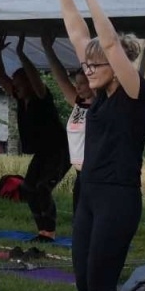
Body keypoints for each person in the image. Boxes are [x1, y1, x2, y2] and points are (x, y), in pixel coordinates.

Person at [52, 0, 145, 291]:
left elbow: (106, 43)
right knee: (82, 281)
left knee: (100, 281)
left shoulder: (134, 94)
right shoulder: (99, 96)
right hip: (89, 192)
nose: (86, 70)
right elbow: (81, 38)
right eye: (86, 65)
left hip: (118, 196)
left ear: (118, 66)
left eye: (95, 65)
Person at [0, 32, 68, 241]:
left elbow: (34, 78)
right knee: (28, 188)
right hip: (43, 152)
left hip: (60, 150)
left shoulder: (41, 97)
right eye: (14, 84)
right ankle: (42, 231)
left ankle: (49, 232)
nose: (14, 87)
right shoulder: (19, 97)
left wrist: (21, 53)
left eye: (19, 83)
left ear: (29, 83)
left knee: (43, 187)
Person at [40, 34, 94, 206]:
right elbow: (61, 77)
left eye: (82, 83)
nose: (77, 87)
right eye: (76, 83)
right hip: (80, 174)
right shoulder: (78, 103)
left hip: (96, 172)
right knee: (79, 221)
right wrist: (48, 48)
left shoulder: (101, 106)